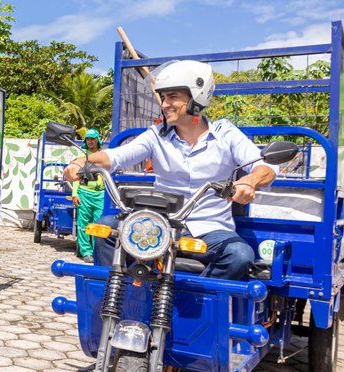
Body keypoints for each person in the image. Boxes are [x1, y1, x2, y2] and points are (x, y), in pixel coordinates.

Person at [64, 60, 278, 280]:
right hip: (158, 225)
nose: (165, 104)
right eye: (164, 98)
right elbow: (116, 156)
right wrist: (82, 161)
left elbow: (266, 167)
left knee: (240, 255)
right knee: (107, 229)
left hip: (210, 229)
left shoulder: (226, 134)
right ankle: (123, 296)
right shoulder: (157, 135)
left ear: (197, 97)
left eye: (173, 96)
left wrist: (250, 181)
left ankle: (195, 305)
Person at [72, 128, 106, 263]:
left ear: (98, 139)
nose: (90, 141)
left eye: (93, 138)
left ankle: (98, 251)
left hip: (101, 194)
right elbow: (75, 177)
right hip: (84, 193)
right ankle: (86, 251)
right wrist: (75, 193)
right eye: (88, 139)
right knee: (83, 223)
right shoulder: (82, 157)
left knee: (99, 223)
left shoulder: (104, 156)